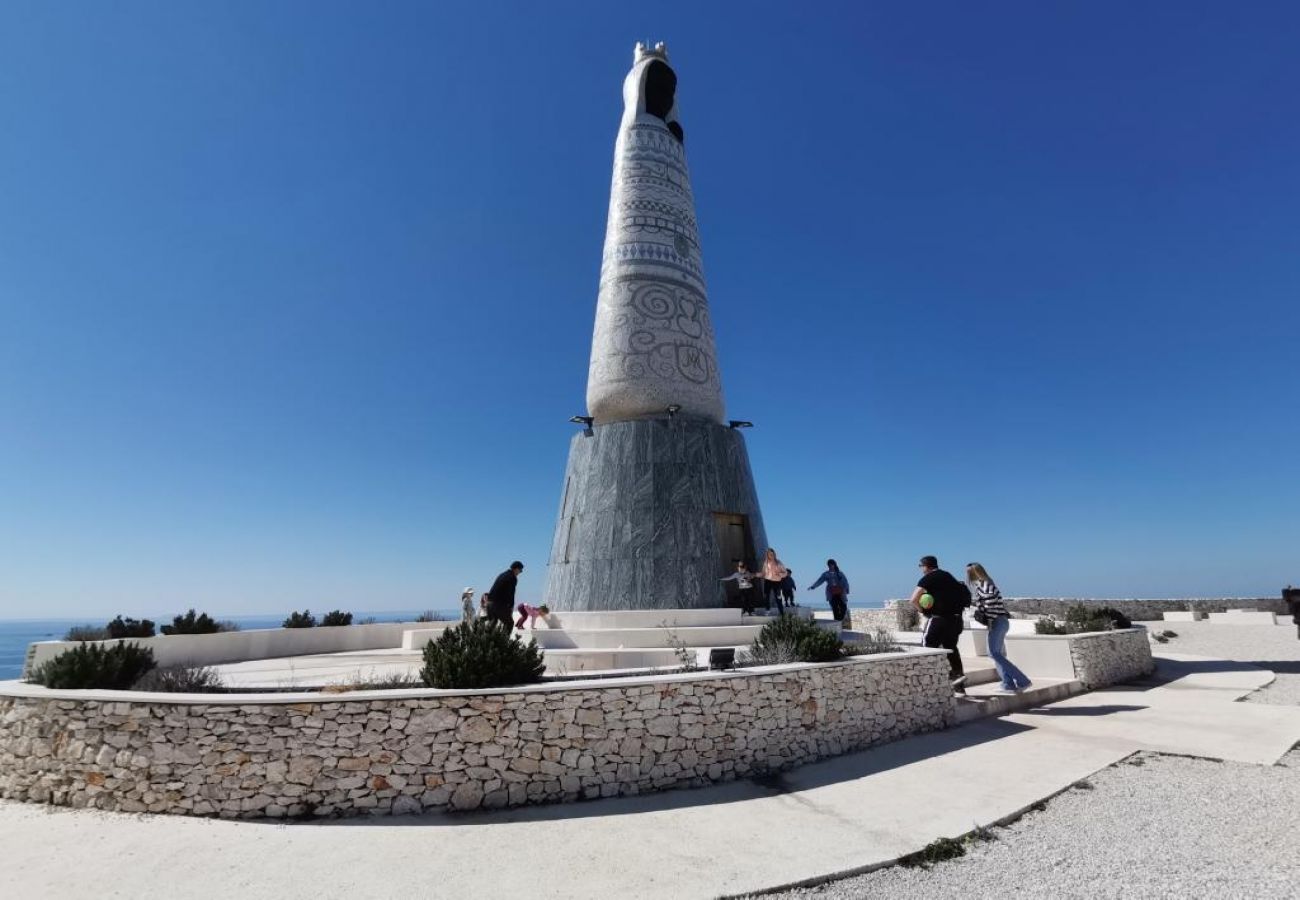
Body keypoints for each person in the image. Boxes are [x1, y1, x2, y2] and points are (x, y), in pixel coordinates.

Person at [966, 562, 1032, 693]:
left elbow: (990, 606)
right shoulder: (989, 584)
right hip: (1001, 621)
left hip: (996, 622)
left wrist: (989, 621)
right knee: (996, 654)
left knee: (994, 653)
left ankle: (1022, 680)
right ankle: (1008, 684)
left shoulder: (985, 586)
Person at [908, 555, 970, 693]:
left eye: (921, 566)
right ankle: (958, 682)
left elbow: (913, 599)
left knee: (927, 648)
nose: (921, 569)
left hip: (939, 619)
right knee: (951, 647)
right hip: (956, 620)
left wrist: (923, 611)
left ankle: (928, 684)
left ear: (926, 566)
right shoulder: (949, 576)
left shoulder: (928, 578)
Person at [484, 561, 524, 629]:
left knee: (493, 622)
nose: (520, 572)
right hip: (498, 604)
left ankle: (485, 638)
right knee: (509, 623)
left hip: (489, 603)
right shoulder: (512, 577)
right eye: (520, 570)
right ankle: (504, 639)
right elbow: (511, 593)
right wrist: (511, 606)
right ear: (516, 569)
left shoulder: (502, 574)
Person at [808, 559, 850, 624]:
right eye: (829, 565)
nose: (831, 566)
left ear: (834, 565)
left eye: (832, 565)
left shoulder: (840, 573)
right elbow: (820, 581)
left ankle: (840, 619)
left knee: (843, 607)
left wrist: (847, 589)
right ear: (828, 566)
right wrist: (813, 586)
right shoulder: (826, 574)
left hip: (841, 592)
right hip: (831, 593)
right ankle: (837, 621)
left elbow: (845, 581)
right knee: (834, 607)